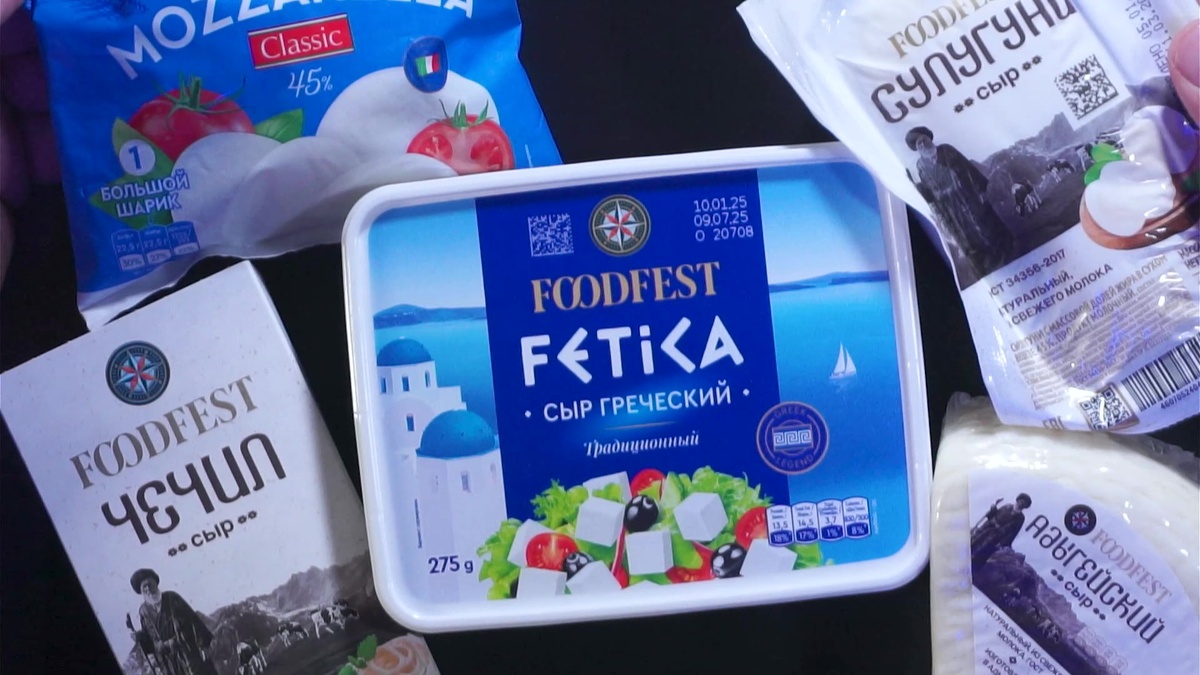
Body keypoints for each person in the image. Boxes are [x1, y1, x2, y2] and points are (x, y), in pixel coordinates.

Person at [905, 125, 1017, 287]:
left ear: (929, 138)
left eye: (923, 140)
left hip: (968, 194)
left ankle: (1008, 251)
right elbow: (930, 190)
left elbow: (967, 167)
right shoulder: (921, 166)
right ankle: (989, 264)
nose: (923, 145)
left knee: (985, 223)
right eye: (918, 144)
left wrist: (980, 188)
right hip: (952, 206)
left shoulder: (947, 151)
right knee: (968, 234)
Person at [130, 568, 218, 675]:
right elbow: (150, 640)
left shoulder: (172, 598)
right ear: (140, 591)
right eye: (144, 586)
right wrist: (140, 637)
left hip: (188, 650)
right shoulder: (143, 611)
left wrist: (204, 645)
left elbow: (193, 619)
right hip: (168, 661)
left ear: (156, 583)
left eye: (150, 584)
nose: (148, 589)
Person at [969, 493, 1032, 568]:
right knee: (973, 542)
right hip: (986, 529)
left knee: (981, 552)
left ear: (1025, 506)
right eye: (1020, 501)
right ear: (1017, 500)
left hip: (995, 537)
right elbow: (991, 516)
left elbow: (1013, 532)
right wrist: (993, 508)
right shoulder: (1007, 506)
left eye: (1023, 504)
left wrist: (1003, 542)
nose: (1020, 504)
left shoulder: (1020, 518)